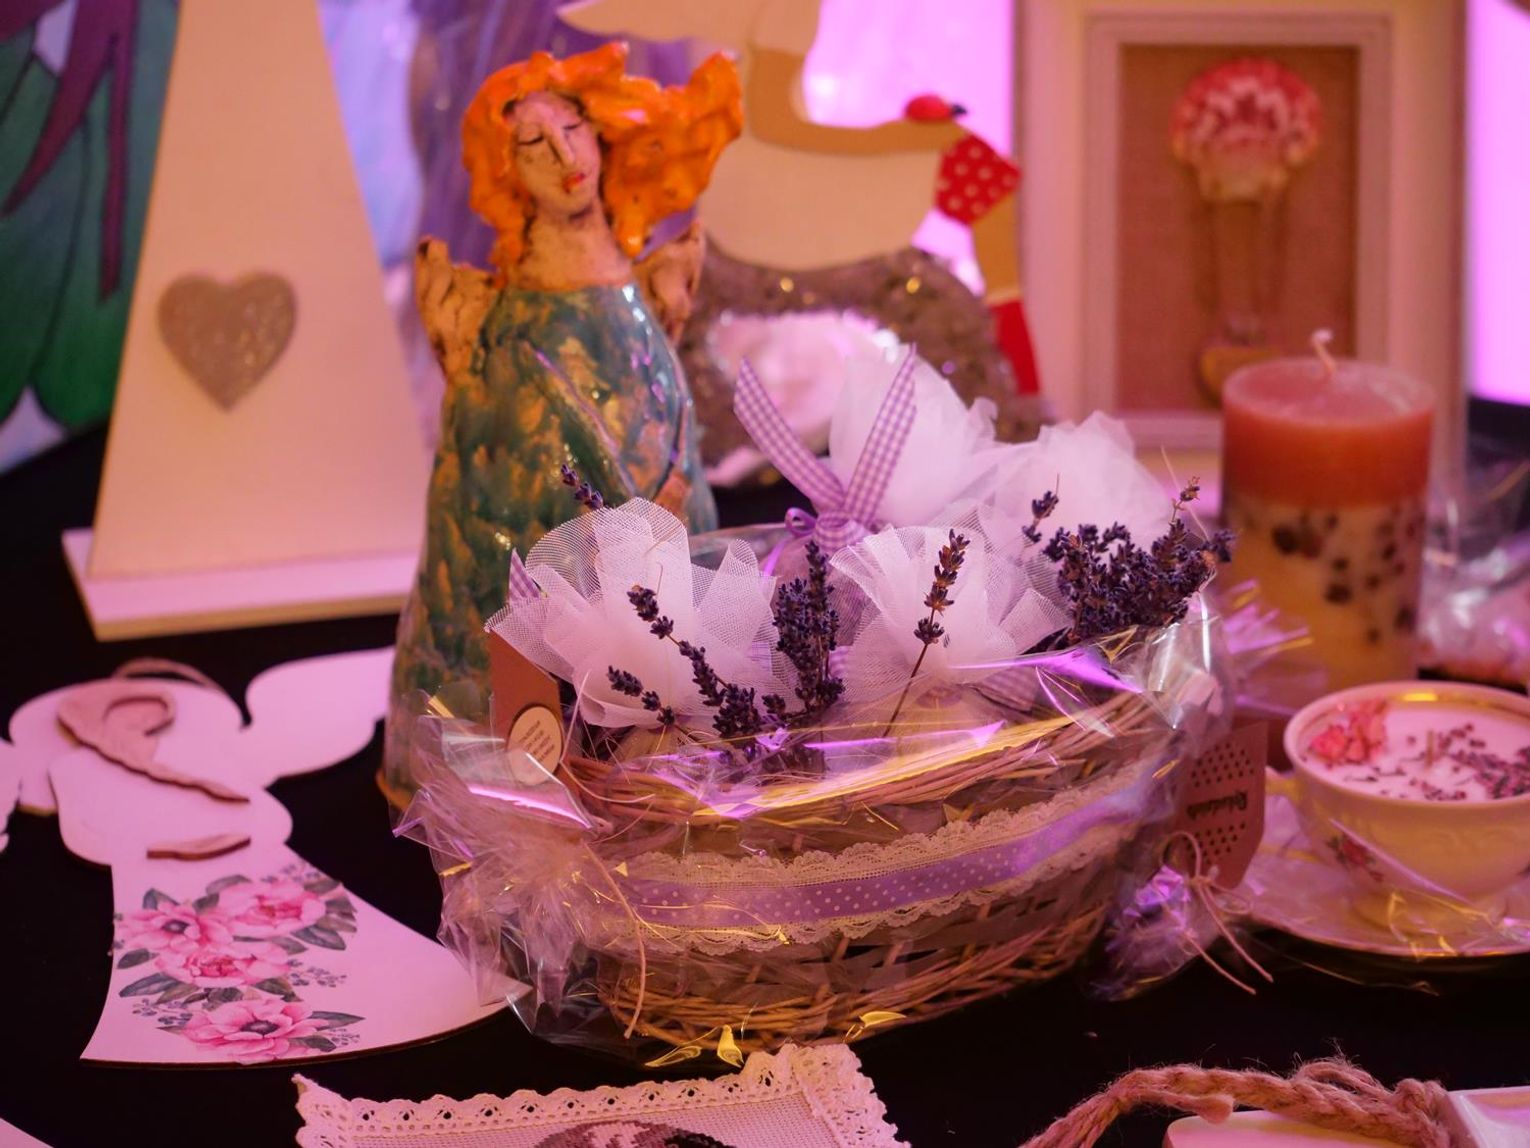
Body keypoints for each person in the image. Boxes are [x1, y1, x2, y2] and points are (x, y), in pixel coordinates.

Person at [385, 43, 741, 792]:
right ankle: (528, 762)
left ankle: (660, 747)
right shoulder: (507, 331)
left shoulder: (641, 303)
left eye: (575, 131)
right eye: (534, 144)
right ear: (507, 170)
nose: (565, 157)